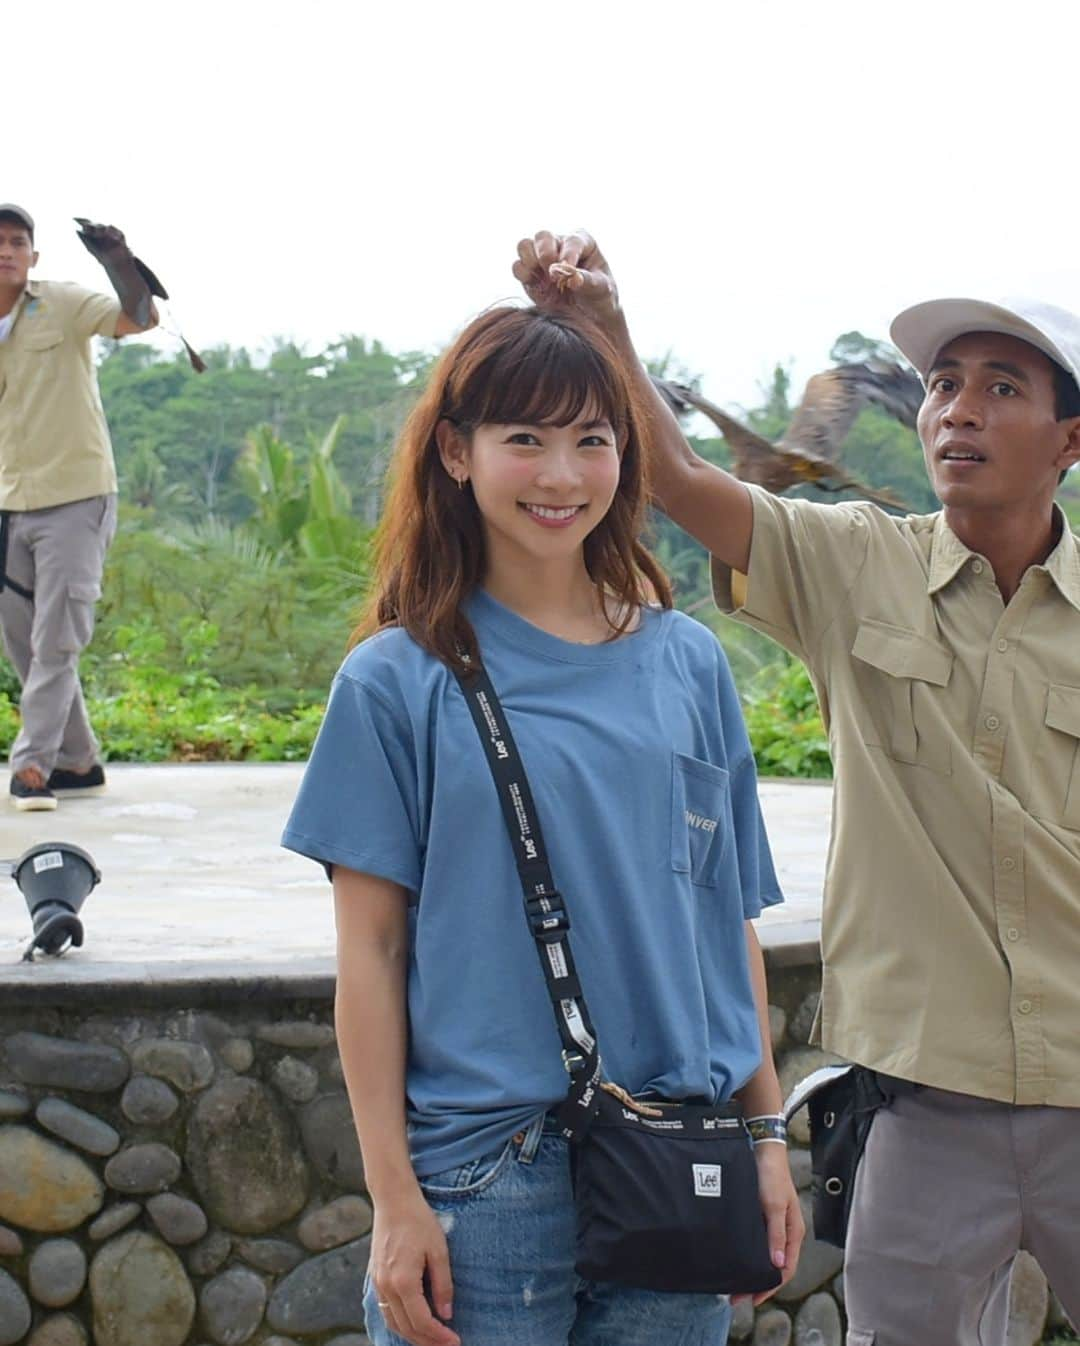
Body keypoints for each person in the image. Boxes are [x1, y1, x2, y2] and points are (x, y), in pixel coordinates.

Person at [512, 231, 1080, 1345]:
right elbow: (678, 479)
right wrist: (604, 325)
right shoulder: (853, 564)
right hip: (927, 1101)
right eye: (941, 385)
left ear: (1071, 437)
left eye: (999, 387)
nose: (957, 410)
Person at [282, 301, 803, 1346]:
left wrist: (766, 1135)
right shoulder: (395, 680)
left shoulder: (687, 664)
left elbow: (725, 920)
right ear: (456, 453)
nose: (561, 476)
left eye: (591, 441)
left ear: (626, 459)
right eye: (525, 438)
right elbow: (372, 953)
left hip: (677, 1158)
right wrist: (396, 1199)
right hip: (484, 1177)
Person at [0, 203, 158, 811]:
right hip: (10, 499)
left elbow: (137, 319)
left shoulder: (61, 303)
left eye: (18, 241)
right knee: (22, 642)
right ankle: (79, 760)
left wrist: (120, 264)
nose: (7, 250)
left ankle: (33, 769)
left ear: (34, 256)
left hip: (75, 496)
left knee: (57, 641)